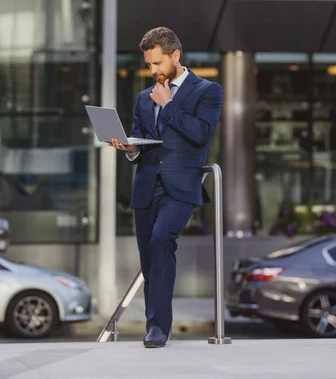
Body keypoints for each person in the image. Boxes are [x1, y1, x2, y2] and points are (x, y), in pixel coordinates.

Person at [109, 27, 222, 348]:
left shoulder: (207, 90)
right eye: (148, 65)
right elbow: (140, 138)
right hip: (146, 185)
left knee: (162, 238)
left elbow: (201, 133)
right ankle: (153, 324)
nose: (153, 71)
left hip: (182, 185)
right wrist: (130, 149)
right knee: (148, 257)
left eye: (157, 63)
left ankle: (160, 327)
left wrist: (170, 105)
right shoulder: (144, 98)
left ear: (176, 56)